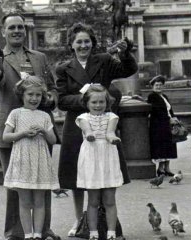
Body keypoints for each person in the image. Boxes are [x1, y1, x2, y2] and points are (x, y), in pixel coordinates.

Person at [55, 22, 137, 236]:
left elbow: (128, 69)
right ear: (71, 44)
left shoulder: (104, 60)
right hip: (78, 125)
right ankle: (78, 220)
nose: (83, 45)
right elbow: (62, 100)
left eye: (87, 41)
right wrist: (88, 98)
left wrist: (126, 52)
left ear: (92, 43)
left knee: (104, 172)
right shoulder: (63, 68)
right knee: (76, 176)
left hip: (103, 127)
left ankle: (105, 221)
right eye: (78, 42)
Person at [0, 12, 59, 240]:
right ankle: (14, 232)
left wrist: (52, 99)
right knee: (13, 185)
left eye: (20, 27)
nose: (16, 31)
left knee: (42, 183)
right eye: (12, 28)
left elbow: (52, 87)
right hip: (10, 128)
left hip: (39, 129)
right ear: (3, 32)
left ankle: (42, 230)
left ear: (25, 30)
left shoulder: (39, 57)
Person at [3, 76, 59, 240]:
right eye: (30, 94)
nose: (34, 98)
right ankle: (28, 234)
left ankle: (38, 234)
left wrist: (43, 130)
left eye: (38, 95)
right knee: (25, 201)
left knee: (40, 201)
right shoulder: (16, 114)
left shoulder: (44, 116)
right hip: (23, 161)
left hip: (40, 161)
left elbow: (53, 140)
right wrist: (22, 133)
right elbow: (5, 136)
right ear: (22, 95)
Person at [76, 84, 123, 240]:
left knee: (110, 199)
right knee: (93, 200)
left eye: (101, 102)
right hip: (91, 158)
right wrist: (89, 134)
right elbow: (87, 130)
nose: (98, 105)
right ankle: (93, 232)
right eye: (94, 102)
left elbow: (109, 132)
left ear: (107, 102)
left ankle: (111, 232)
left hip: (107, 156)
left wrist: (112, 138)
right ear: (87, 103)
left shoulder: (112, 117)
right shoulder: (83, 117)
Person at [147, 75, 178, 177]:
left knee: (169, 146)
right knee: (161, 146)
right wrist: (169, 119)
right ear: (153, 86)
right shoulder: (152, 96)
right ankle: (160, 169)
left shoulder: (164, 96)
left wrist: (174, 117)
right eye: (156, 85)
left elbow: (170, 110)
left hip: (167, 125)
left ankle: (167, 168)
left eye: (160, 85)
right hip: (158, 125)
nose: (158, 87)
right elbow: (156, 110)